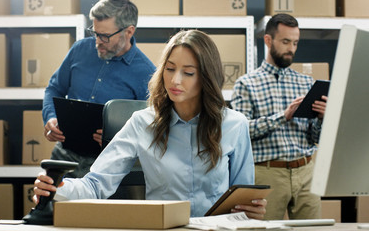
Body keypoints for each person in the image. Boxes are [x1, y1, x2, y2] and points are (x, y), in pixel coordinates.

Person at [34, 30, 267, 218]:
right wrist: (58, 188)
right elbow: (96, 184)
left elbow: (242, 200)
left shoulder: (234, 125)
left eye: (188, 73)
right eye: (169, 69)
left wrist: (252, 209)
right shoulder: (142, 122)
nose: (175, 80)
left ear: (207, 78)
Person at [42, 0, 156, 178]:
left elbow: (151, 127)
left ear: (129, 32)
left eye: (104, 36)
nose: (97, 42)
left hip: (109, 167)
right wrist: (50, 118)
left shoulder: (147, 74)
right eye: (95, 33)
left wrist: (116, 136)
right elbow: (54, 89)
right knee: (49, 208)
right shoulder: (79, 50)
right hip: (63, 158)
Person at [231, 13, 327, 220]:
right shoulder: (246, 84)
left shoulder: (306, 83)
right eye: (285, 42)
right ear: (268, 40)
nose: (291, 48)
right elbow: (241, 133)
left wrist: (321, 118)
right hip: (268, 173)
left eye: (295, 43)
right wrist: (283, 116)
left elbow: (315, 137)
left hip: (306, 171)